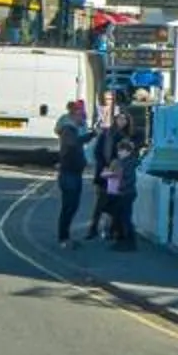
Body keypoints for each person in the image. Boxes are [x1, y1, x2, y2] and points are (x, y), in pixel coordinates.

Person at [85, 99, 126, 240]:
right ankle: (95, 229)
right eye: (120, 118)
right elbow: (97, 153)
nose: (122, 121)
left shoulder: (121, 135)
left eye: (124, 119)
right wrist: (106, 167)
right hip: (107, 175)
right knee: (102, 203)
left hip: (112, 175)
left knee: (112, 204)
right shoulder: (108, 135)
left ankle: (109, 230)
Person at [52, 100, 90, 247]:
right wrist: (90, 136)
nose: (84, 120)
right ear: (75, 115)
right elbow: (72, 144)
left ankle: (65, 237)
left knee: (72, 206)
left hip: (74, 172)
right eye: (82, 116)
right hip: (69, 174)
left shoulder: (71, 129)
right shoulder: (68, 129)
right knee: (69, 206)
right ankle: (63, 238)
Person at [107, 137, 142, 252]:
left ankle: (129, 242)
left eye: (121, 151)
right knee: (122, 217)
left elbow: (129, 179)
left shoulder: (128, 163)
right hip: (125, 192)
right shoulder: (126, 162)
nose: (119, 153)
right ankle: (122, 240)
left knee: (125, 218)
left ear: (127, 151)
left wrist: (119, 186)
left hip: (126, 193)